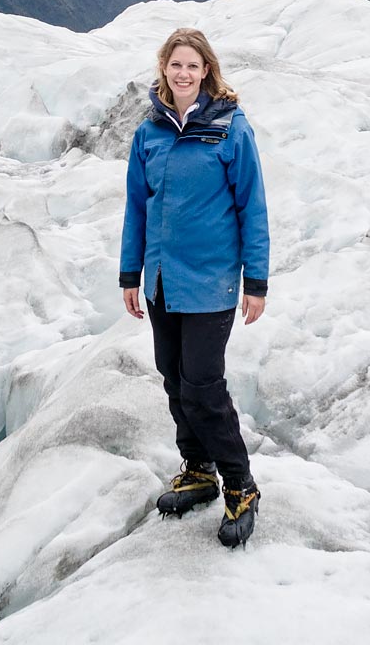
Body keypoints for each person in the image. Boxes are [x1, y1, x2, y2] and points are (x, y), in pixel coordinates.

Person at [120, 27, 270, 548]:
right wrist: (129, 273)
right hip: (162, 279)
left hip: (211, 281)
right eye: (175, 65)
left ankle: (240, 484)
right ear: (164, 69)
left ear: (207, 70)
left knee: (204, 386)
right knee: (174, 379)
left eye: (193, 65)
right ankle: (199, 468)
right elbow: (137, 208)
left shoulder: (230, 129)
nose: (183, 74)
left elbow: (252, 207)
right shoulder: (150, 133)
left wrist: (257, 280)